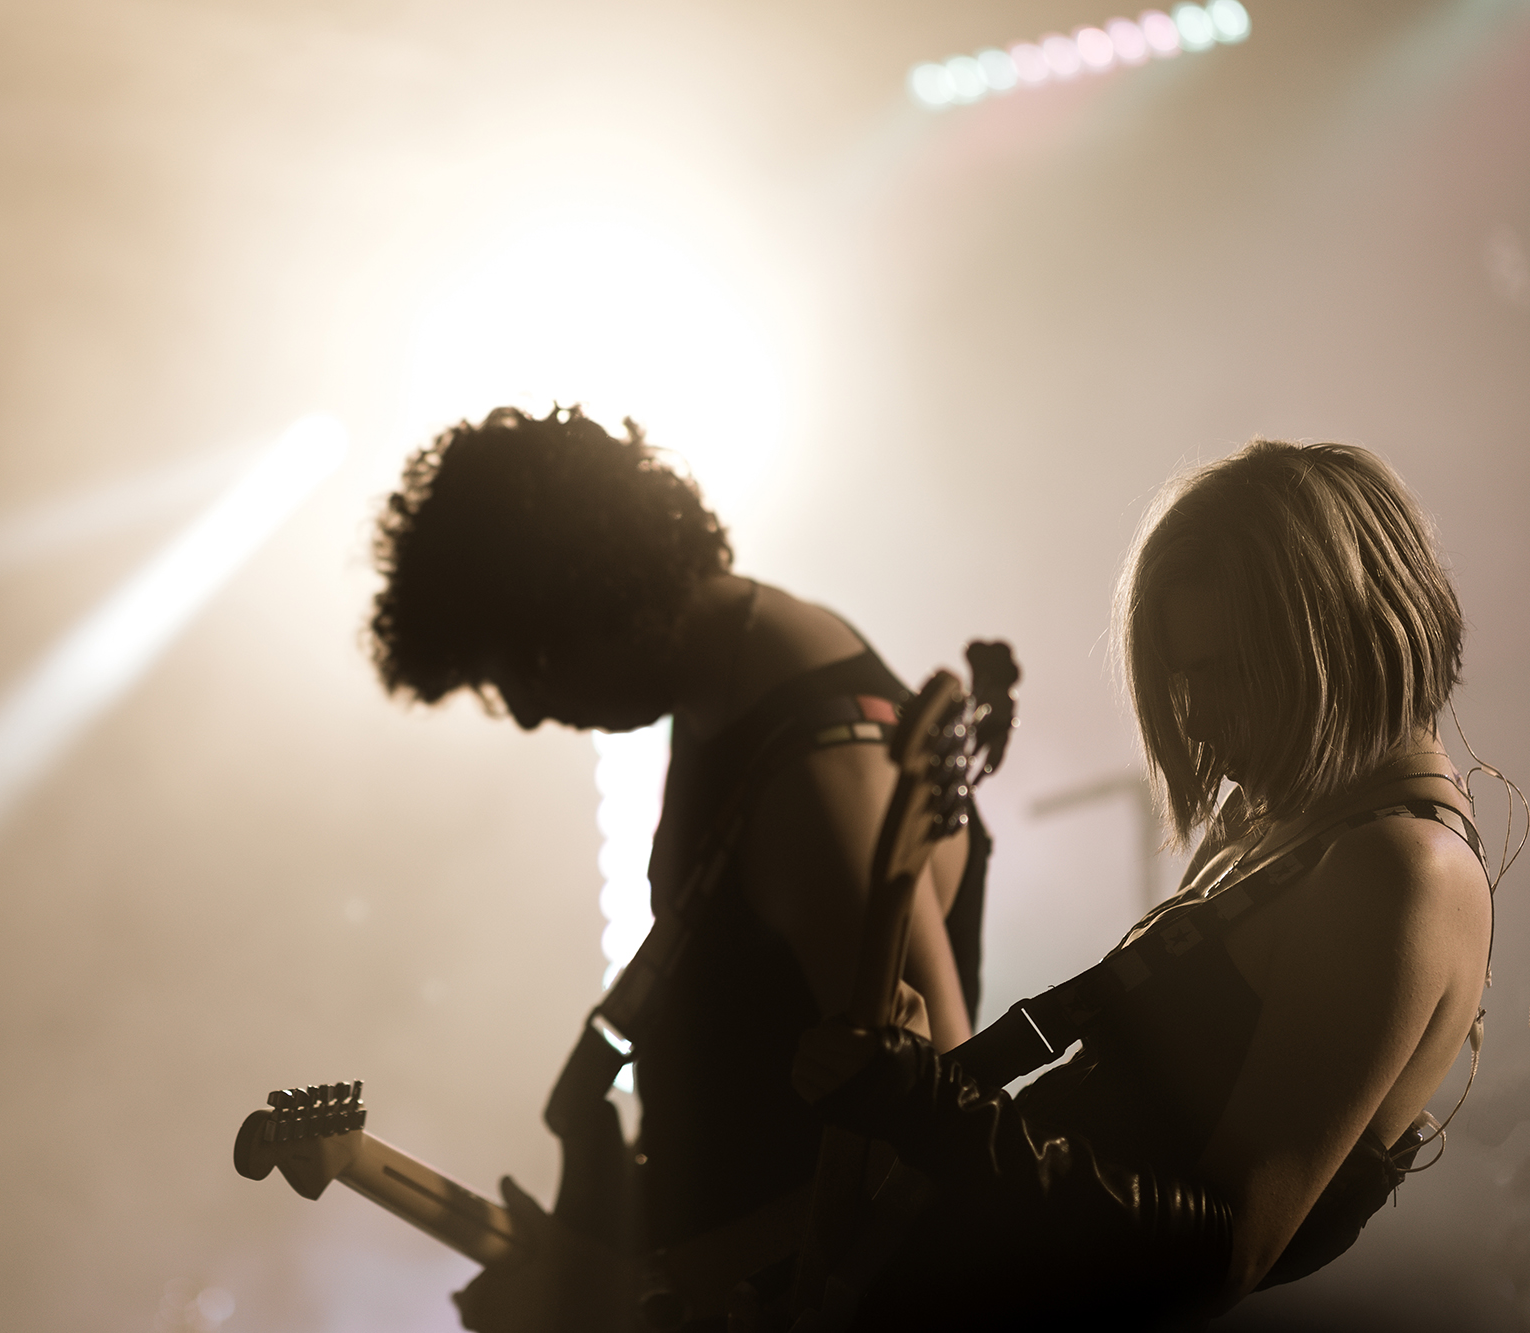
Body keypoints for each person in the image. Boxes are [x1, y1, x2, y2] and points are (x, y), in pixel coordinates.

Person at [794, 440, 1498, 1328]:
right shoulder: (1281, 824)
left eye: (1229, 670)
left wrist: (926, 1108)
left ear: (1343, 638)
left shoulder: (1401, 869)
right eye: (1181, 675)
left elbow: (1221, 1251)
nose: (1194, 715)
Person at [367, 405, 989, 1331]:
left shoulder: (817, 769)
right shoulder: (733, 691)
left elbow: (943, 1141)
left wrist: (647, 1291)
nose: (529, 712)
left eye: (521, 671)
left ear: (580, 597)